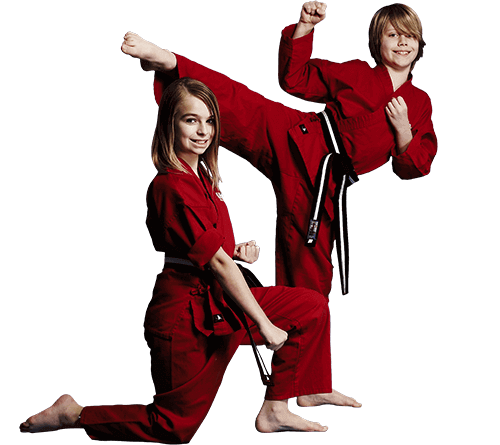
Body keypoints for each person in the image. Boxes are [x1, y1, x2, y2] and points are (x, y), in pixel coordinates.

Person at [20, 77, 363, 443]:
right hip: (186, 318)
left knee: (310, 306)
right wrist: (262, 323)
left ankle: (277, 407)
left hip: (221, 301)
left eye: (210, 121)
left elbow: (202, 249)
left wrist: (233, 252)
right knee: (174, 426)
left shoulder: (204, 177)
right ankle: (74, 415)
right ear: (171, 124)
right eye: (191, 120)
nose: (203, 131)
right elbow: (213, 263)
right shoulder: (170, 186)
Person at [120, 1, 437, 300]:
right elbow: (295, 79)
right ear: (376, 42)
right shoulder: (356, 73)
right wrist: (304, 27)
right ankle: (171, 63)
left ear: (420, 43)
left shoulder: (420, 104)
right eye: (392, 34)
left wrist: (403, 130)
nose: (401, 42)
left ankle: (291, 339)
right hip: (300, 135)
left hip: (322, 182)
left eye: (409, 35)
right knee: (242, 102)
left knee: (309, 274)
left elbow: (414, 167)